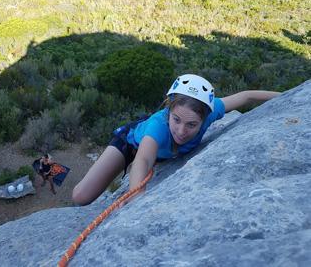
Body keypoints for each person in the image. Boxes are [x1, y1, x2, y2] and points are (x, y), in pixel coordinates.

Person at [72, 74, 281, 206]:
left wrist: (292, 94)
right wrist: (137, 199)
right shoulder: (158, 127)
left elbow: (246, 96)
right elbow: (143, 160)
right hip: (129, 144)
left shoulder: (212, 110)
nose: (181, 131)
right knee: (80, 196)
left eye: (192, 125)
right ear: (168, 109)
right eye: (176, 120)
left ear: (205, 118)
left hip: (156, 151)